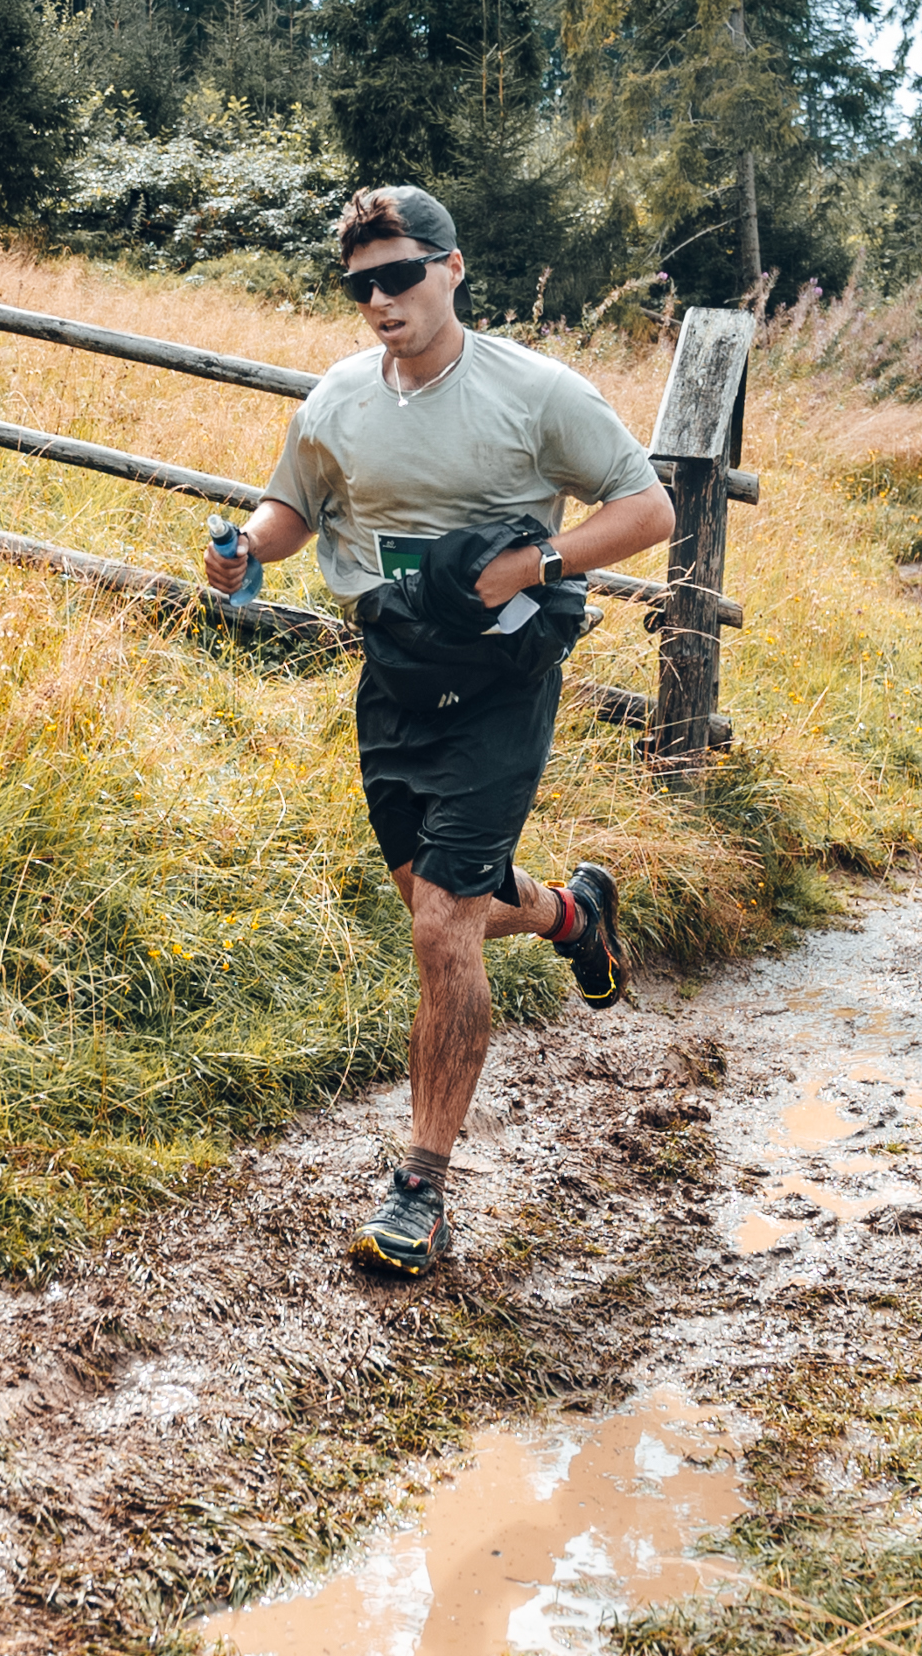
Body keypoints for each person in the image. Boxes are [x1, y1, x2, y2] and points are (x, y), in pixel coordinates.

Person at [204, 186, 677, 1277]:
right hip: (395, 673)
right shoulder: (337, 397)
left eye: (400, 275)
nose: (381, 300)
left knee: (439, 930)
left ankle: (419, 1189)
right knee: (435, 902)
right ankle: (572, 914)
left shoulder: (535, 391)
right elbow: (297, 504)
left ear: (451, 268)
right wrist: (250, 548)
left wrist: (531, 563)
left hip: (504, 679)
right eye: (360, 284)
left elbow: (646, 509)